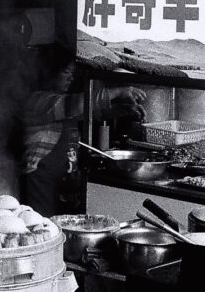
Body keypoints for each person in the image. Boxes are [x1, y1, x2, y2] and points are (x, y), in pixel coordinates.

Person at [20, 52, 148, 217]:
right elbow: (74, 105)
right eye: (66, 73)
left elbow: (90, 111)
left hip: (64, 180)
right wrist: (116, 92)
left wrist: (123, 110)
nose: (71, 78)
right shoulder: (36, 101)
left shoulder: (63, 102)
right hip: (41, 181)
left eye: (72, 74)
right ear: (48, 74)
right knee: (43, 226)